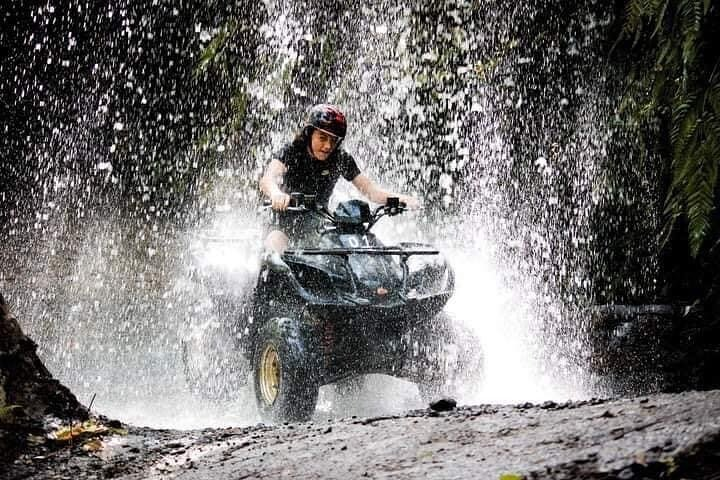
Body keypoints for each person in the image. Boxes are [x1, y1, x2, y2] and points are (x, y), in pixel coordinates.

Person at [260, 104, 417, 268]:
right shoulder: (292, 151)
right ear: (309, 133)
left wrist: (403, 200)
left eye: (333, 140)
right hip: (283, 223)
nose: (328, 146)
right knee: (276, 248)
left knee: (345, 252)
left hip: (318, 226)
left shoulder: (341, 159)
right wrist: (276, 194)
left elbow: (371, 192)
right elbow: (267, 179)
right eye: (322, 138)